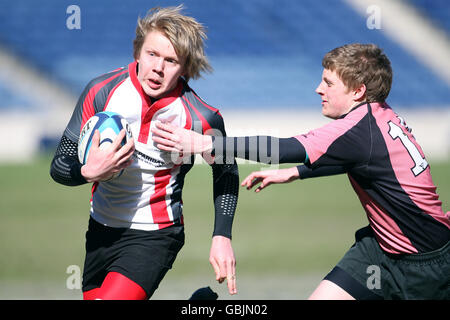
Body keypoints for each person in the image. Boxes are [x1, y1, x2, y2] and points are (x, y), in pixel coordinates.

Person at [151, 43, 450, 300]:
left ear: (358, 91)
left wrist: (205, 141)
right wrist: (296, 173)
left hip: (423, 261)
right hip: (380, 247)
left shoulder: (358, 130)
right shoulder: (378, 115)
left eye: (329, 83)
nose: (318, 89)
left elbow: (280, 149)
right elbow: (355, 159)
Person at [50, 6, 239, 300]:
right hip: (100, 231)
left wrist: (222, 236)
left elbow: (226, 171)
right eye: (152, 54)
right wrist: (87, 171)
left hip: (155, 235)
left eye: (171, 60)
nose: (158, 67)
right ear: (138, 52)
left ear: (186, 68)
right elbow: (60, 163)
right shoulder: (101, 91)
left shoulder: (201, 117)